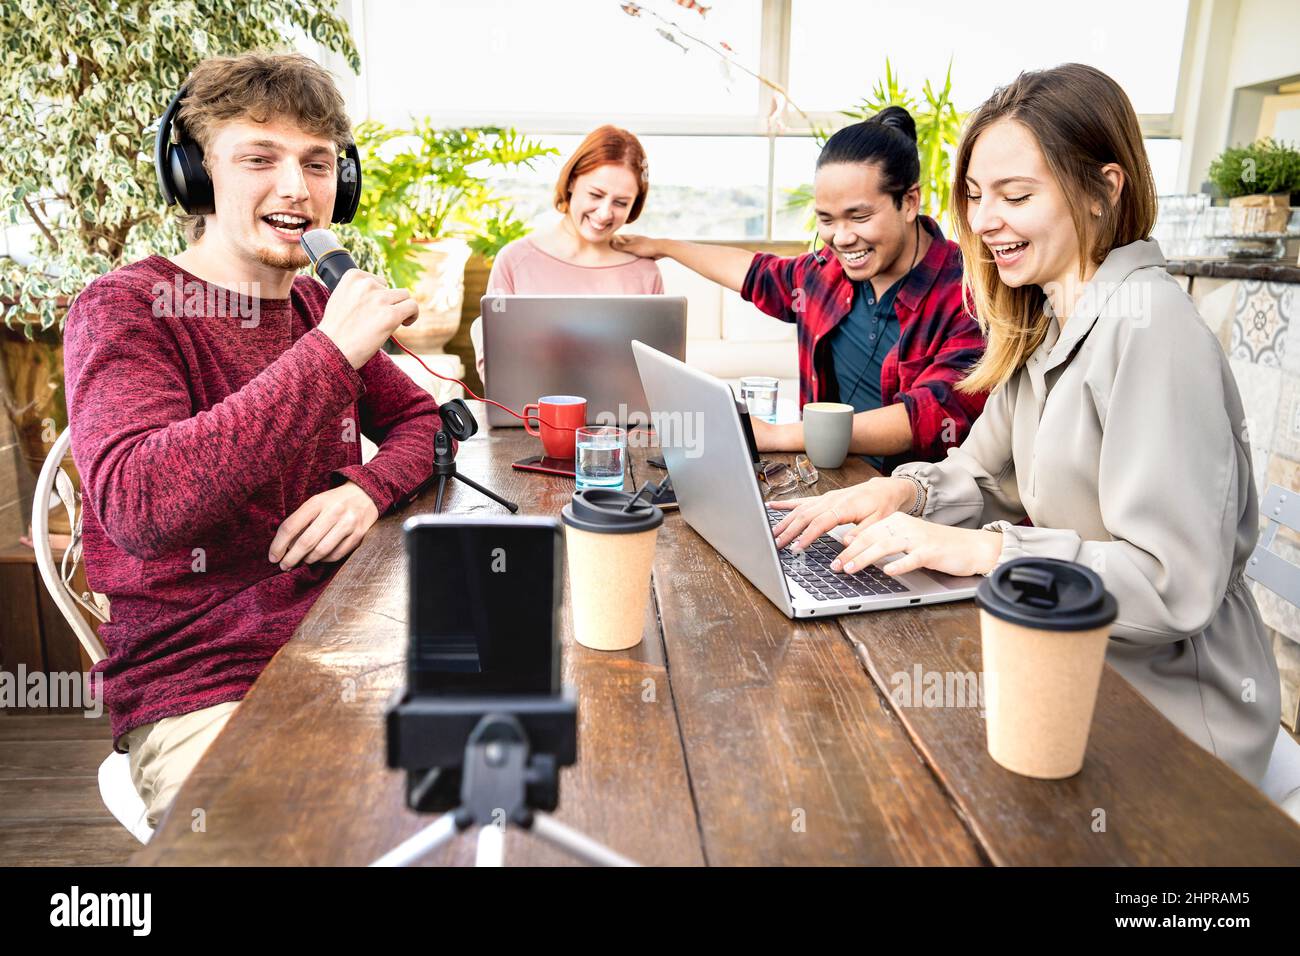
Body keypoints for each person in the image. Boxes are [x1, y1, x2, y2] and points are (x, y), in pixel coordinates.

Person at [770, 64, 1280, 784]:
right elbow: (980, 471)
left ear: (1105, 190)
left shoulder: (1152, 330)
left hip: (1171, 719)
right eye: (976, 197)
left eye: (1016, 196)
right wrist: (899, 496)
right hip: (1060, 665)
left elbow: (1172, 586)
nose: (982, 222)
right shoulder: (1045, 321)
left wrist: (985, 551)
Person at [62, 53, 444, 827]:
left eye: (317, 162)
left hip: (352, 636)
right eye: (259, 159)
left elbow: (422, 423)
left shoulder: (310, 307)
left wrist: (365, 490)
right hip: (206, 679)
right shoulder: (126, 309)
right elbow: (144, 507)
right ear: (196, 178)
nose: (297, 187)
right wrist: (332, 355)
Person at [614, 107, 987, 472]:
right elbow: (756, 273)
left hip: (915, 500)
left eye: (859, 217)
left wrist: (777, 436)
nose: (841, 238)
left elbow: (929, 414)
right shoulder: (826, 272)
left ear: (909, 202)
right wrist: (663, 246)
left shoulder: (970, 294)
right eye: (827, 220)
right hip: (826, 479)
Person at [469, 125, 663, 383]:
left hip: (624, 422)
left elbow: (657, 378)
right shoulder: (515, 261)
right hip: (533, 419)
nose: (605, 213)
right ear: (571, 182)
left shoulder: (644, 273)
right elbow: (497, 378)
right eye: (596, 194)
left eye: (621, 203)